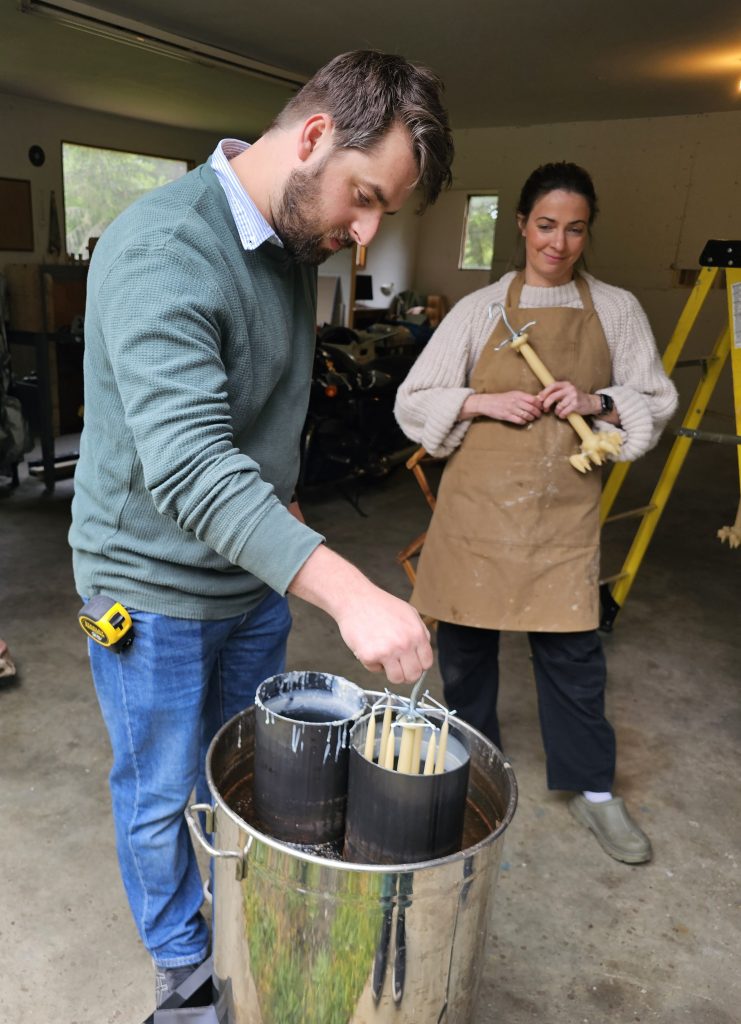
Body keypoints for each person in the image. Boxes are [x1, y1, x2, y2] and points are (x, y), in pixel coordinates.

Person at [69, 50, 453, 1005]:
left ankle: (240, 918)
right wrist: (349, 590)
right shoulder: (163, 248)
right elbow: (194, 465)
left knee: (241, 779)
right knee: (160, 792)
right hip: (148, 592)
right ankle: (183, 966)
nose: (364, 235)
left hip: (250, 584)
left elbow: (259, 432)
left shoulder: (290, 250)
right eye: (363, 198)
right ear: (314, 136)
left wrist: (284, 525)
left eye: (383, 215)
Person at [394, 161, 678, 866]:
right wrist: (479, 401)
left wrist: (596, 402)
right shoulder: (479, 309)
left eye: (574, 229)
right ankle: (466, 768)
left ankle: (593, 792)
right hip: (477, 508)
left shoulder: (614, 308)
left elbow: (657, 397)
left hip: (561, 511)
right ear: (521, 225)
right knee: (465, 652)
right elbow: (412, 398)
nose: (558, 243)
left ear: (587, 233)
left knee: (572, 653)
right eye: (545, 225)